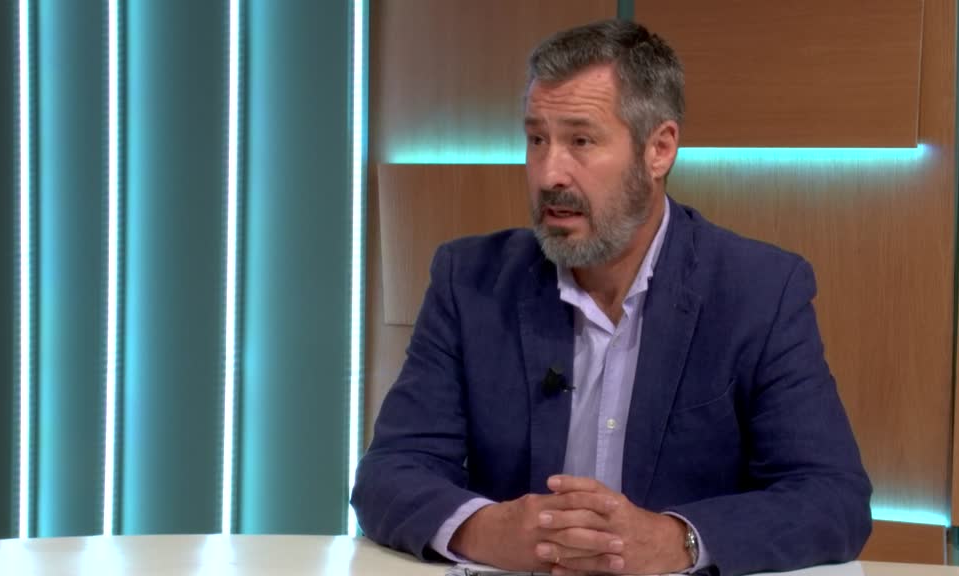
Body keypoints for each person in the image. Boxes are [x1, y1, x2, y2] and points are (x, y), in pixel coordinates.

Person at [351, 19, 872, 576]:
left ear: (659, 149)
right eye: (536, 139)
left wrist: (676, 541)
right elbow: (390, 473)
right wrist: (486, 529)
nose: (549, 174)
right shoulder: (471, 282)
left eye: (580, 141)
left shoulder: (758, 291)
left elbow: (830, 498)